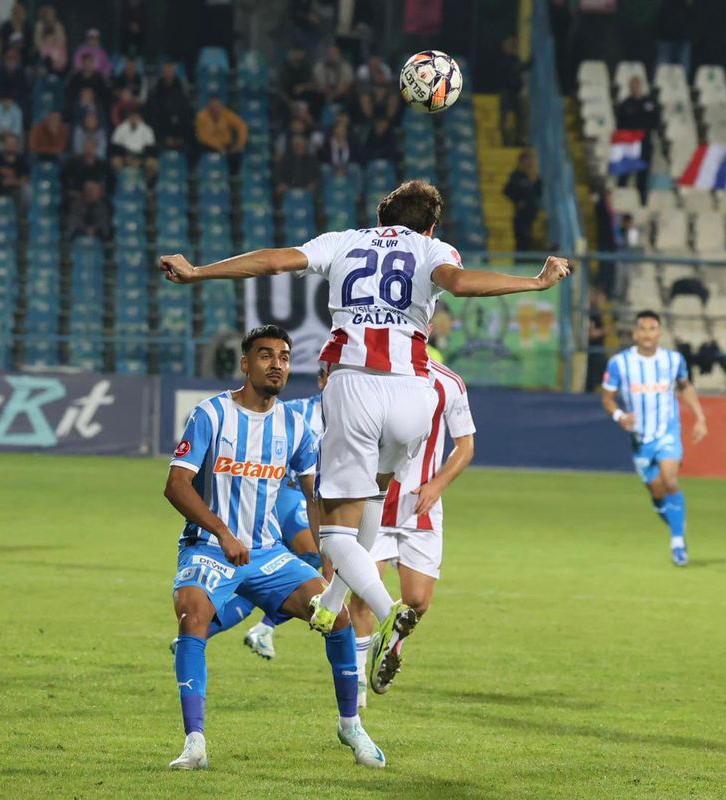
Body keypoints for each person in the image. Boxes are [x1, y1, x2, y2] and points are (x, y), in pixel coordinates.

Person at [158, 180, 572, 694]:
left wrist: (199, 271)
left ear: (381, 220)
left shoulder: (343, 241)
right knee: (377, 489)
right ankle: (329, 606)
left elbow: (270, 261)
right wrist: (535, 283)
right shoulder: (431, 248)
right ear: (431, 224)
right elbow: (460, 284)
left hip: (354, 384)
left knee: (336, 534)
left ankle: (387, 611)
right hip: (415, 392)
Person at [164, 325, 383, 770]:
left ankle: (350, 724)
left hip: (268, 553)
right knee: (192, 615)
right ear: (246, 364)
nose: (277, 364)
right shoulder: (210, 415)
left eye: (283, 356)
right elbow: (176, 486)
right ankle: (195, 743)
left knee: (336, 615)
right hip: (209, 547)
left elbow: (312, 496)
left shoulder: (294, 424)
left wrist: (328, 562)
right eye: (266, 355)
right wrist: (224, 534)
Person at [347, 358, 474, 705]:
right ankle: (357, 683)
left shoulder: (449, 382)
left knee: (417, 602)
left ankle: (388, 646)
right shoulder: (373, 374)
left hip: (421, 507)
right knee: (361, 594)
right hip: (374, 501)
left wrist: (437, 485)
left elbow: (465, 445)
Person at [196, 368, 329, 660]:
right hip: (284, 491)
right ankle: (262, 626)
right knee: (313, 552)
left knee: (275, 576)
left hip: (322, 498)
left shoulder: (356, 418)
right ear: (322, 380)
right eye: (335, 376)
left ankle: (206, 633)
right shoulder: (298, 411)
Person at [601, 311, 708, 567]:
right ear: (635, 333)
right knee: (657, 491)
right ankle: (674, 523)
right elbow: (607, 398)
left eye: (652, 328)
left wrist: (700, 418)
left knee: (670, 479)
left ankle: (678, 541)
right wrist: (618, 415)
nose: (647, 333)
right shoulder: (619, 363)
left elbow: (686, 386)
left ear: (659, 333)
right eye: (642, 328)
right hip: (640, 438)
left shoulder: (673, 360)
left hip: (666, 431)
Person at [614, 76, 659, 203]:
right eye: (632, 86)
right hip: (629, 144)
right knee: (624, 174)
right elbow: (620, 125)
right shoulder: (625, 104)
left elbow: (655, 121)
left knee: (643, 174)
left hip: (644, 143)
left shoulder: (649, 103)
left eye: (637, 85)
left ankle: (642, 201)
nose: (635, 88)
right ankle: (620, 198)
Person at [194, 96, 247, 171]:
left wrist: (240, 144)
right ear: (208, 107)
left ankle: (233, 177)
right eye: (212, 107)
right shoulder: (201, 116)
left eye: (217, 106)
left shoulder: (226, 114)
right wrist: (219, 147)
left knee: (236, 154)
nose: (215, 109)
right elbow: (202, 136)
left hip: (226, 145)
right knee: (197, 148)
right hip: (208, 146)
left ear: (221, 106)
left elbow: (242, 126)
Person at [503, 150, 541, 256]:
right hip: (521, 215)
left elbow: (538, 193)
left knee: (528, 240)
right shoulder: (516, 176)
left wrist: (536, 180)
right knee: (521, 241)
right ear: (522, 161)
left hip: (531, 214)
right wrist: (518, 201)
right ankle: (520, 265)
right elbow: (507, 190)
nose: (531, 163)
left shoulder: (532, 177)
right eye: (529, 160)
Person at [656, 0, 694, 75]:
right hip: (665, 34)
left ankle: (682, 84)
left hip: (682, 34)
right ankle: (660, 83)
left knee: (682, 67)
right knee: (663, 64)